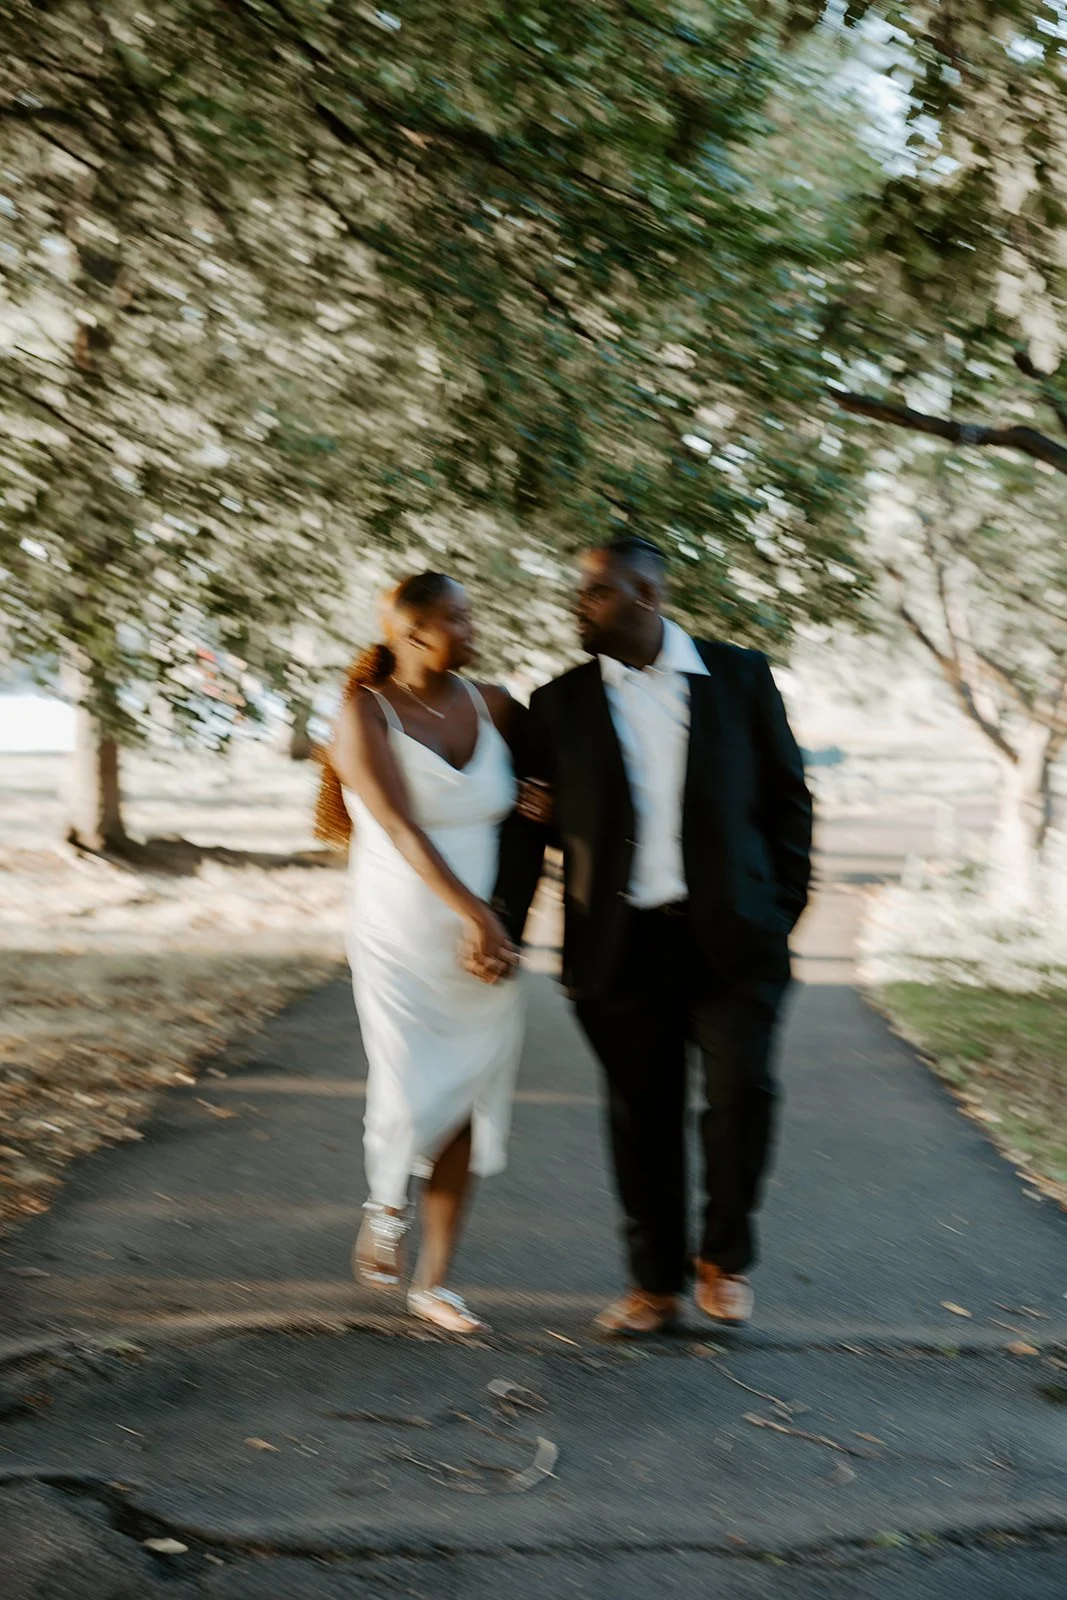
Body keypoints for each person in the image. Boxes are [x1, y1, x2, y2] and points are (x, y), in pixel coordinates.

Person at [495, 536, 812, 1335]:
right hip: (619, 946)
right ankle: (653, 1285)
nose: (577, 604)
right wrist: (505, 922)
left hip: (733, 942)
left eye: (593, 593)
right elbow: (531, 828)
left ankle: (722, 1262)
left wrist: (779, 909)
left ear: (644, 595)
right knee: (641, 1115)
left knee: (744, 1095)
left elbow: (787, 802)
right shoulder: (557, 703)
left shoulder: (739, 679)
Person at [317, 571, 527, 1336]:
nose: (472, 630)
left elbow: (548, 782)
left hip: (486, 938)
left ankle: (435, 1283)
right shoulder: (362, 714)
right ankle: (385, 1205)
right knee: (408, 1083)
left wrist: (544, 797)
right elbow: (402, 830)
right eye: (457, 619)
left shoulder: (495, 704)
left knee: (468, 1094)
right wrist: (474, 915)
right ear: (411, 633)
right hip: (400, 925)